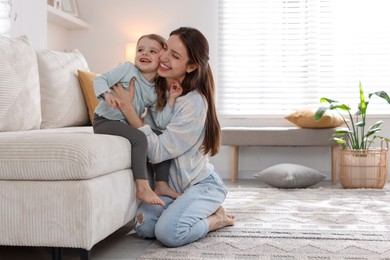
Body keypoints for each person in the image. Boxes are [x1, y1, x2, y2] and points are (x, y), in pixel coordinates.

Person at [112, 27, 235, 247]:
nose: (164, 57)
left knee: (169, 234)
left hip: (199, 184)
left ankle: (217, 218)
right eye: (166, 48)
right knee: (143, 226)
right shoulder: (158, 89)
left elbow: (157, 151)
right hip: (169, 187)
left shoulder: (194, 103)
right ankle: (183, 210)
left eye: (175, 56)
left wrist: (129, 110)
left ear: (191, 66)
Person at [92, 34, 181, 207]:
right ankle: (142, 187)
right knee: (140, 138)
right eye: (140, 50)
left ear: (161, 58)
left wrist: (171, 99)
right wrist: (107, 94)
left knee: (159, 137)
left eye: (152, 51)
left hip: (123, 124)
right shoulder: (127, 69)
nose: (144, 54)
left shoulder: (157, 89)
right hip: (104, 120)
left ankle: (161, 184)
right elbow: (101, 79)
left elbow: (161, 122)